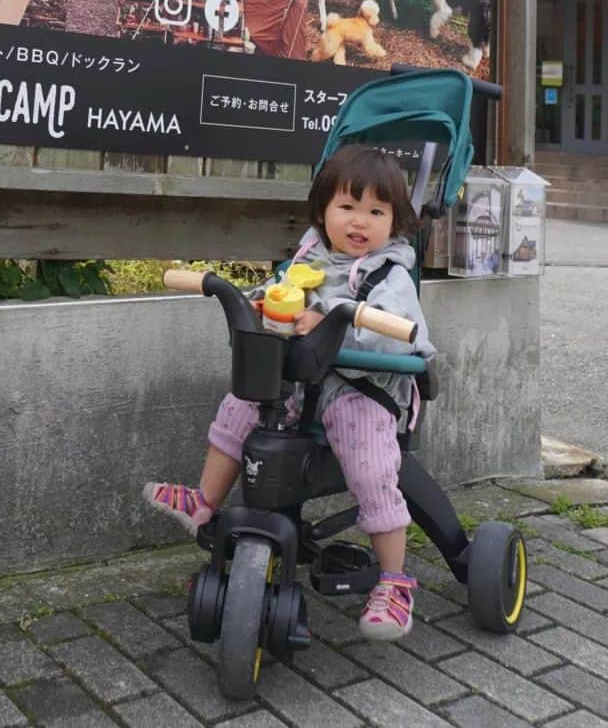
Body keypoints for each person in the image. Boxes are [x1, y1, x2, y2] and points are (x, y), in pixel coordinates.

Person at [144, 145, 435, 642]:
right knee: (244, 399)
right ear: (323, 211)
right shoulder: (308, 257)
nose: (360, 221)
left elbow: (399, 332)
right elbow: (280, 291)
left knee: (371, 464)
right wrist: (261, 304)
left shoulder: (389, 274)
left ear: (396, 222)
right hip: (302, 384)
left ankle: (393, 579)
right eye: (347, 207)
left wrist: (333, 325)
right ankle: (203, 501)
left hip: (362, 389)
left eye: (376, 212)